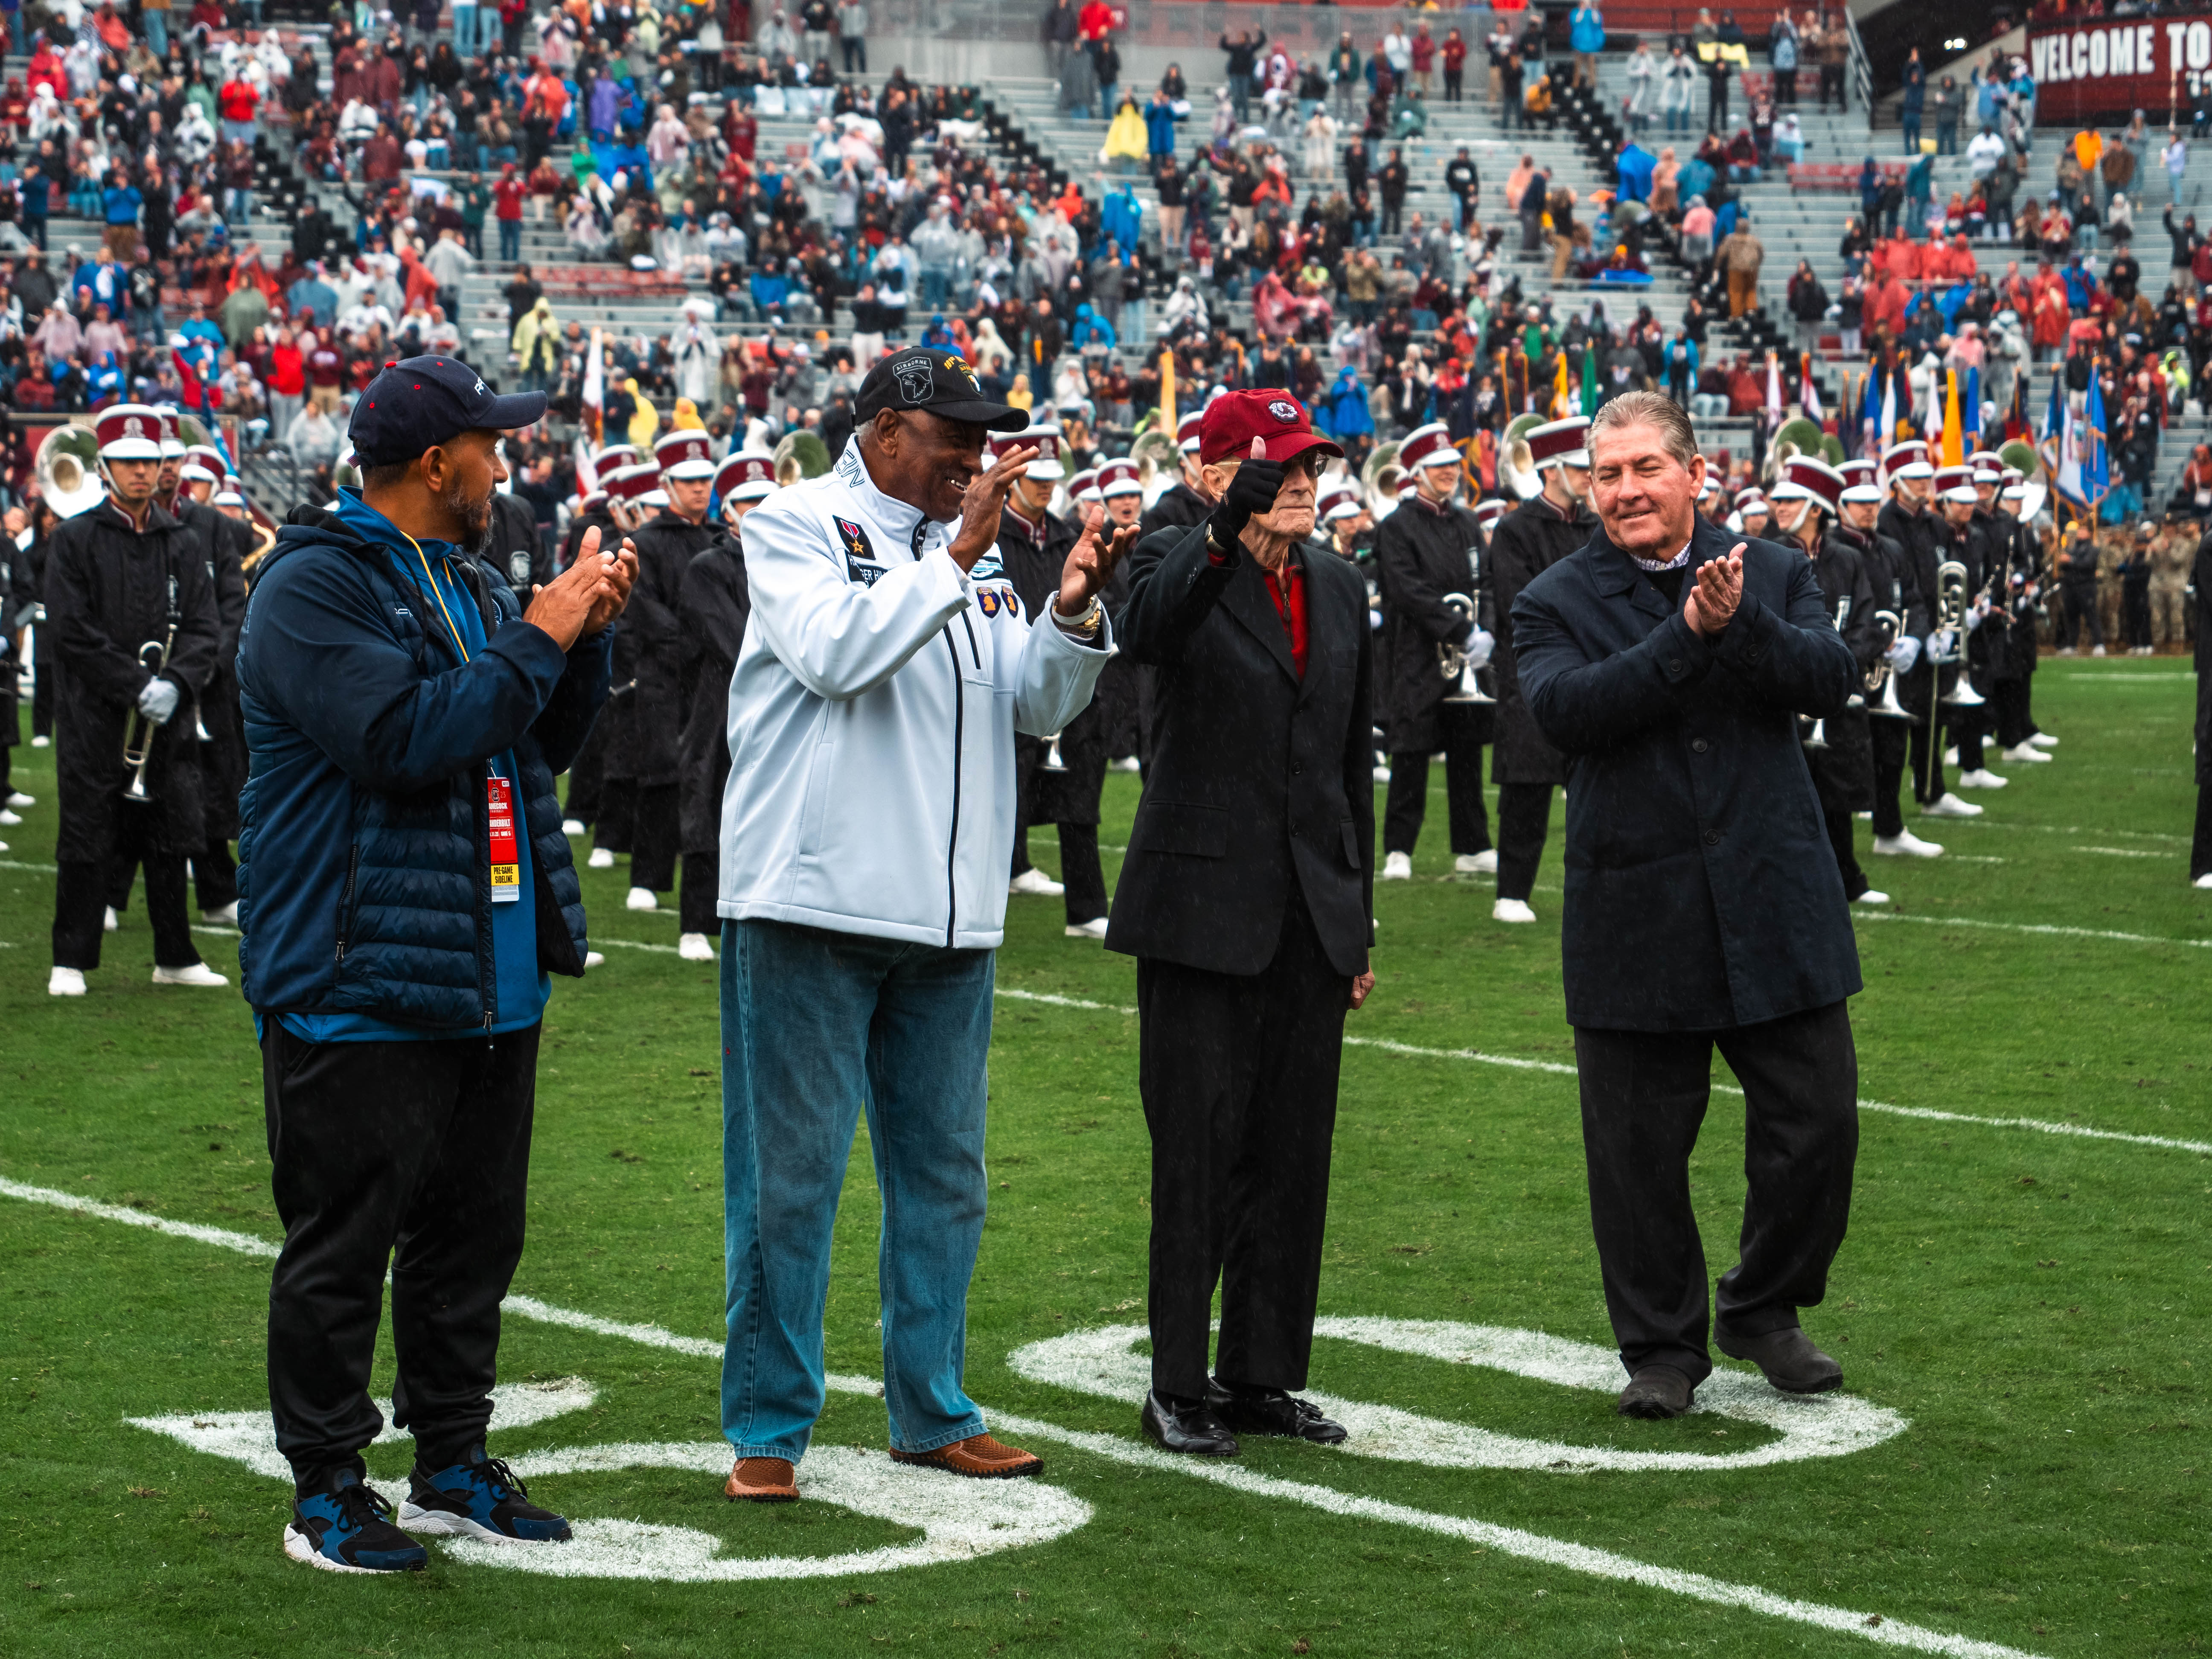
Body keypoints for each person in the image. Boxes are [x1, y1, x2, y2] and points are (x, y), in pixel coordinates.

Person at [236, 358, 637, 1572]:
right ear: (432, 464)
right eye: (488, 447)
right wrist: (538, 635)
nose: (501, 466)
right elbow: (402, 740)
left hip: (483, 964)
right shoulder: (312, 587)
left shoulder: (463, 575)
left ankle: (453, 1463)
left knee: (474, 1239)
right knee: (344, 1241)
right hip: (359, 973)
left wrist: (584, 646)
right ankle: (326, 1488)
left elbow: (524, 746)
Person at [713, 348, 1126, 1502]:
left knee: (946, 1181)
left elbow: (1035, 706)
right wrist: (956, 557)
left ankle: (932, 1407)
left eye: (983, 438)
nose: (974, 459)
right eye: (955, 436)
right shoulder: (795, 522)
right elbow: (839, 658)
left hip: (952, 914)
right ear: (889, 430)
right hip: (811, 902)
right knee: (788, 1180)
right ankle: (768, 1427)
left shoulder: (983, 561)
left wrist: (1072, 611)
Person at [1511, 390, 1863, 1420]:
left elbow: (1829, 680)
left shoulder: (1777, 567)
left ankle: (1763, 1306)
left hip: (1773, 897)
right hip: (1636, 907)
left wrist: (1737, 618)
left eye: (1640, 469)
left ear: (1693, 470)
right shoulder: (1552, 597)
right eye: (1603, 472)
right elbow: (1568, 712)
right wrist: (1685, 634)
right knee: (1636, 1154)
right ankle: (1660, 1346)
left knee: (1817, 1123)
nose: (1620, 490)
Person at [1108, 389, 1374, 1456]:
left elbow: (1346, 762)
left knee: (1290, 1153)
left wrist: (1356, 924)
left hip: (1310, 913)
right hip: (1197, 912)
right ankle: (1175, 1381)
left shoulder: (1341, 582)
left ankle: (1261, 1372)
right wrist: (1222, 529)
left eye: (1311, 462)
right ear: (1216, 474)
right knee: (1197, 1152)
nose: (1301, 479)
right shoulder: (1172, 554)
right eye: (1275, 464)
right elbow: (1144, 629)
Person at [45, 405, 225, 998]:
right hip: (95, 720)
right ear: (105, 468)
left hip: (167, 720)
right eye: (128, 463)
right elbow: (72, 632)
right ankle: (70, 958)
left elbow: (204, 627)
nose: (142, 473)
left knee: (173, 839)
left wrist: (176, 681)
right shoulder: (75, 540)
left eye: (149, 461)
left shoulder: (184, 539)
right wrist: (134, 684)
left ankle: (174, 954)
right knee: (86, 837)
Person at [1484, 416, 1595, 924]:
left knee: (1597, 791)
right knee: (1527, 788)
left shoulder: (1598, 528)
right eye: (1580, 468)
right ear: (1552, 471)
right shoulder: (1515, 529)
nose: (1591, 477)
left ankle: (1596, 887)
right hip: (1531, 675)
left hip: (1594, 675)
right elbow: (1518, 605)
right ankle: (1512, 892)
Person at [1376, 422, 1493, 881]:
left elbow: (1485, 582)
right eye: (1441, 467)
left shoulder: (1466, 521)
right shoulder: (1396, 526)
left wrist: (1487, 631)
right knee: (1410, 753)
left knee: (1466, 755)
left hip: (1465, 657)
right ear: (1418, 472)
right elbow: (1408, 591)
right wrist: (1462, 628)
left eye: (1453, 465)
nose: (1451, 473)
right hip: (1417, 655)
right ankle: (1399, 849)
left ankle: (1473, 845)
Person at [1771, 457, 1884, 908]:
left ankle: (1848, 879)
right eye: (1777, 499)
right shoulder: (1763, 550)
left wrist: (1835, 667)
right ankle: (1786, 884)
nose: (1778, 507)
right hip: (1782, 696)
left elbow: (1865, 621)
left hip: (1835, 696)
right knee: (1782, 797)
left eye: (1790, 500)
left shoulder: (1849, 559)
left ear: (1816, 508)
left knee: (1837, 795)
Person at [675, 451, 774, 962]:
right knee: (709, 803)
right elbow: (729, 639)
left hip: (780, 705)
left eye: (767, 499)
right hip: (720, 705)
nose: (759, 509)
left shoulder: (793, 558)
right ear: (729, 511)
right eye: (748, 501)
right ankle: (694, 923)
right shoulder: (707, 568)